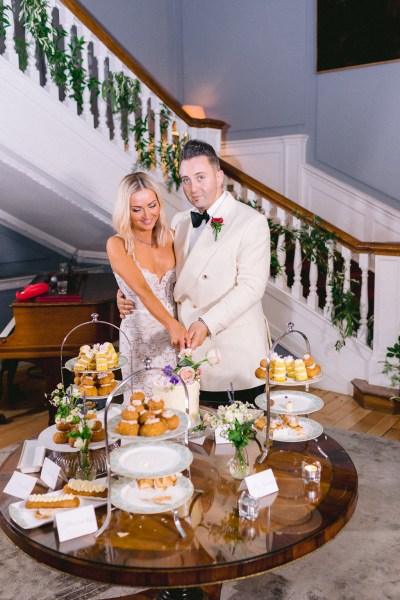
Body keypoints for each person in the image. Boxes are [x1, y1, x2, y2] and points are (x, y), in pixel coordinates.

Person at [118, 140, 271, 404]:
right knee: (197, 436)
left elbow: (251, 288)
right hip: (188, 352)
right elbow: (161, 271)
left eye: (201, 177)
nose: (193, 188)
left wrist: (206, 323)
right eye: (186, 180)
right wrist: (124, 291)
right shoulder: (179, 221)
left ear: (219, 176)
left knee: (240, 438)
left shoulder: (251, 222)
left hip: (232, 352)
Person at [107, 172, 191, 395]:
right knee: (141, 410)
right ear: (126, 210)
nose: (147, 215)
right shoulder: (117, 244)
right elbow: (142, 290)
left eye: (152, 205)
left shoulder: (173, 237)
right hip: (140, 337)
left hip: (174, 338)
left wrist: (178, 326)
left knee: (175, 404)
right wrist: (172, 325)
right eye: (137, 209)